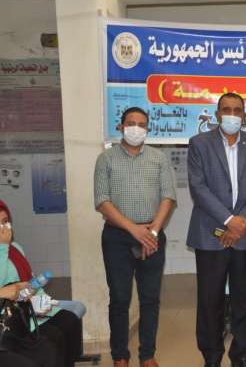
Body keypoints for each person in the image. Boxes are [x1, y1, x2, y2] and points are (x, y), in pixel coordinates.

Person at [187, 93, 246, 367]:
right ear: (217, 114)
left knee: (243, 299)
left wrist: (240, 221)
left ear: (244, 116)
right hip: (211, 233)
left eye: (237, 110)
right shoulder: (199, 143)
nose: (232, 114)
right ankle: (211, 356)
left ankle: (240, 353)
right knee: (210, 300)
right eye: (226, 109)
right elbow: (198, 188)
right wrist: (229, 219)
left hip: (245, 233)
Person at [94, 107, 177, 367]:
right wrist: (134, 230)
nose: (136, 128)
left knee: (150, 299)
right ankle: (120, 355)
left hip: (152, 234)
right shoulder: (105, 159)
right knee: (120, 298)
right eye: (131, 123)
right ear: (120, 127)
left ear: (147, 129)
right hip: (117, 237)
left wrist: (152, 232)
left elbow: (168, 197)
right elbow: (102, 201)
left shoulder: (159, 158)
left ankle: (147, 355)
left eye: (141, 124)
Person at [0, 200, 82, 367]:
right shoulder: (5, 249)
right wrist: (2, 247)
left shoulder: (16, 248)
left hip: (29, 305)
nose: (4, 227)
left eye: (5, 221)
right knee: (51, 343)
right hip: (13, 318)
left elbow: (30, 281)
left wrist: (43, 300)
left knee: (71, 321)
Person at [0, 282, 60, 367]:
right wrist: (2, 292)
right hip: (5, 340)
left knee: (46, 349)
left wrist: (25, 297)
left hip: (10, 332)